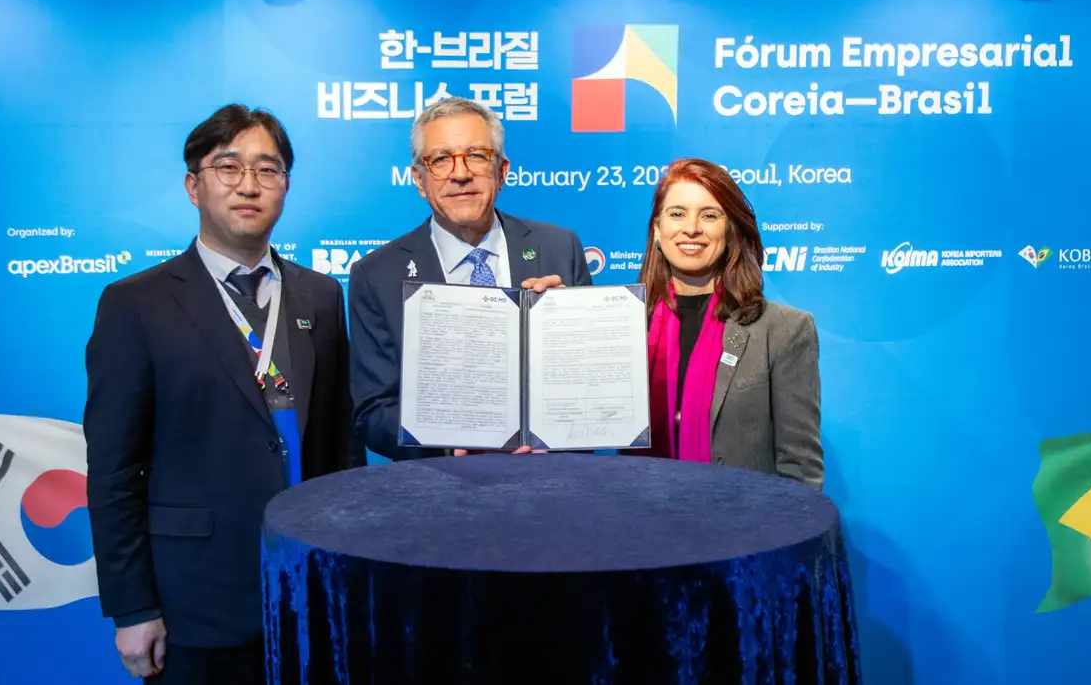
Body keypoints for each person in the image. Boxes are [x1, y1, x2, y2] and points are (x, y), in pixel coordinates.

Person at [84, 103, 364, 684]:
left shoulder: (320, 296)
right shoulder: (136, 304)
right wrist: (133, 607)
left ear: (285, 186)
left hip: (312, 588)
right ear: (194, 186)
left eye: (267, 169)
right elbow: (113, 472)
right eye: (228, 167)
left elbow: (342, 448)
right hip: (195, 600)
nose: (248, 185)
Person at [348, 96, 593, 461]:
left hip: (550, 479)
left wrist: (569, 332)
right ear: (419, 180)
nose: (460, 173)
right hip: (443, 484)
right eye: (440, 159)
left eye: (477, 155)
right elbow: (373, 411)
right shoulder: (377, 275)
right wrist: (448, 441)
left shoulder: (560, 248)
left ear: (502, 171)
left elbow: (592, 384)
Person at [628, 158, 823, 489]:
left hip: (744, 519)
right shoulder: (623, 326)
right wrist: (551, 316)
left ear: (731, 230)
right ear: (658, 230)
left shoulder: (784, 330)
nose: (692, 228)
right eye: (677, 213)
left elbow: (800, 471)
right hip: (638, 514)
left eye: (709, 215)